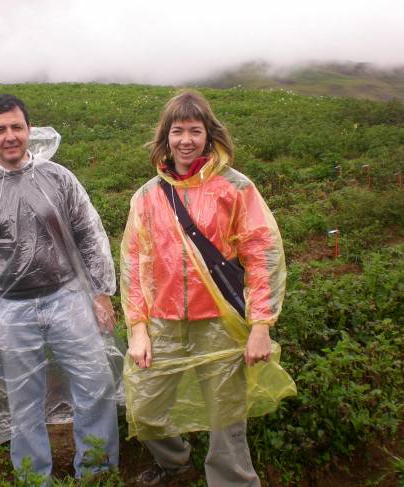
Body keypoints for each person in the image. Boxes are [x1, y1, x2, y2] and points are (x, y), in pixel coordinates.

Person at [0, 94, 121, 482]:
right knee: (24, 401)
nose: (10, 136)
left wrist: (101, 294)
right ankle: (34, 477)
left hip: (67, 297)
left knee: (95, 382)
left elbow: (89, 235)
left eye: (16, 127)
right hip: (7, 309)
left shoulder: (58, 178)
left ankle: (97, 472)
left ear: (29, 130)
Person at [121, 90, 296, 486]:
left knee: (226, 419)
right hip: (163, 321)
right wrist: (137, 327)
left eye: (195, 131)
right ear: (165, 137)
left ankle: (231, 480)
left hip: (219, 322)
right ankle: (176, 462)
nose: (186, 140)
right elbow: (135, 262)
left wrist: (261, 325)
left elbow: (262, 255)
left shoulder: (235, 188)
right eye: (177, 131)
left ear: (209, 135)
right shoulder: (148, 195)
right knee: (145, 406)